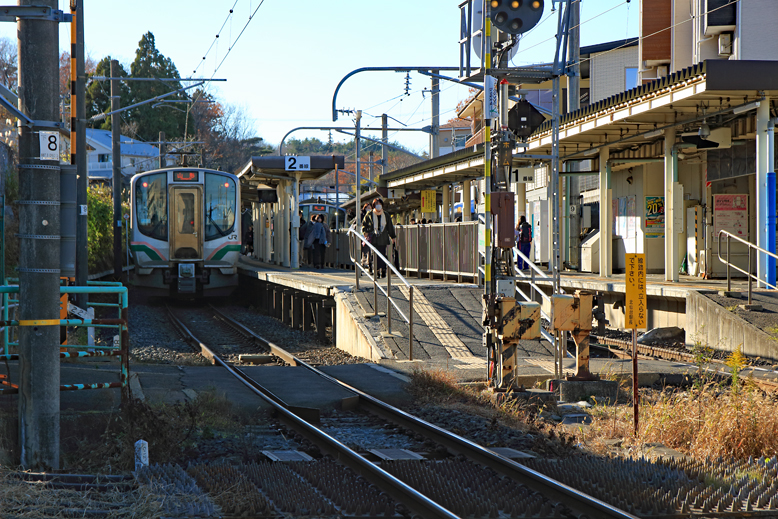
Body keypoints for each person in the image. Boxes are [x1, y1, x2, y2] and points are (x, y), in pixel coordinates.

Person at [362, 197, 396, 278]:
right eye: (376, 204)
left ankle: (383, 270)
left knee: (383, 254)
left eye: (379, 203)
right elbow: (364, 224)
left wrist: (392, 237)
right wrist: (365, 232)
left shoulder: (386, 214)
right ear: (374, 205)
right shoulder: (369, 214)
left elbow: (390, 226)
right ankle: (376, 270)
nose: (378, 205)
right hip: (373, 238)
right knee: (374, 255)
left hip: (383, 238)